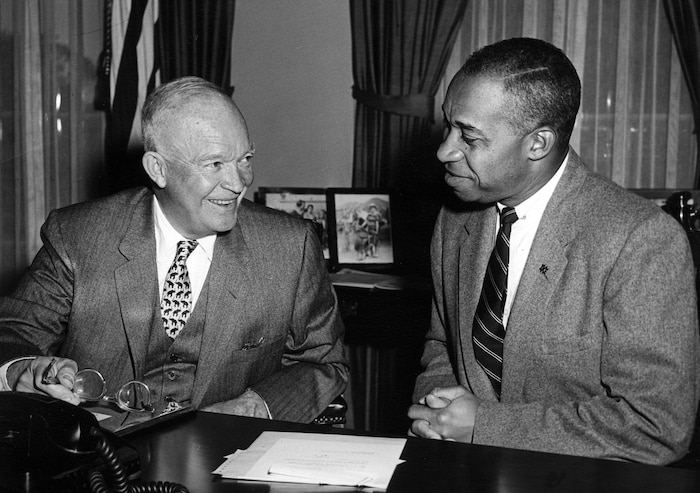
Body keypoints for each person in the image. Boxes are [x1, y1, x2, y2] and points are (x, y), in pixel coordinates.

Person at [408, 37, 699, 465]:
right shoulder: (455, 218)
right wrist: (436, 415)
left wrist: (485, 426)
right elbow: (442, 345)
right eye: (448, 126)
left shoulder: (640, 239)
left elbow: (657, 425)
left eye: (469, 137)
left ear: (538, 144)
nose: (444, 150)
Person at [0, 76, 348, 430]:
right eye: (214, 164)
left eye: (244, 158)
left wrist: (254, 407)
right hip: (100, 465)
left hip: (224, 461)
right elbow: (13, 336)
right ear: (159, 169)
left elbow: (324, 363)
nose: (240, 181)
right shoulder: (77, 235)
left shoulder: (290, 246)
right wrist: (23, 371)